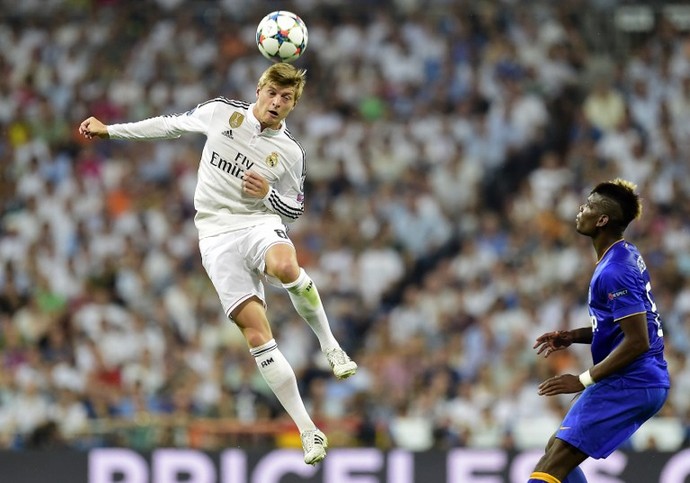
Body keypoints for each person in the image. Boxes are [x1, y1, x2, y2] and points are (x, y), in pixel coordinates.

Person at [78, 62, 357, 465]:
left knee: (284, 265)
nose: (277, 103)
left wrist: (267, 195)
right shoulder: (221, 113)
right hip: (214, 234)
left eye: (287, 98)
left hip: (258, 222)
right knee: (256, 333)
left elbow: (294, 207)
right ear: (259, 91)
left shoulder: (291, 153)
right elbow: (170, 125)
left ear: (294, 105)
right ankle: (308, 430)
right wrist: (111, 130)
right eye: (273, 93)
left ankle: (330, 346)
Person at [528, 179, 670, 483]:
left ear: (602, 219)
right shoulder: (624, 254)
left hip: (632, 381)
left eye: (589, 205)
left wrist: (582, 380)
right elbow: (622, 326)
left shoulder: (615, 270)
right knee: (555, 448)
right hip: (637, 378)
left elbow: (637, 341)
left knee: (553, 463)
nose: (581, 210)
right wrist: (572, 336)